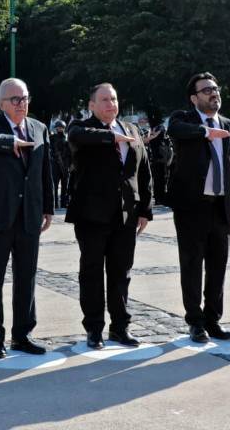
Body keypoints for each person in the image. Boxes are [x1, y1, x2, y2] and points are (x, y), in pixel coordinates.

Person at [0, 78, 54, 359]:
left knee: (26, 277)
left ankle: (23, 335)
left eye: (25, 98)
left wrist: (48, 207)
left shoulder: (40, 128)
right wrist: (11, 142)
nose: (23, 104)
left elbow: (45, 171)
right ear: (1, 104)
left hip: (29, 216)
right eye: (16, 100)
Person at [66, 83, 153, 349]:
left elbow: (143, 171)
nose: (110, 104)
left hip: (126, 215)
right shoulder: (79, 128)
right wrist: (110, 137)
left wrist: (145, 209)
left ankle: (120, 327)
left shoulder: (131, 130)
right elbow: (79, 136)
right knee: (92, 273)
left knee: (120, 273)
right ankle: (94, 329)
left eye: (114, 99)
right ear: (91, 105)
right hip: (92, 215)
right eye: (104, 100)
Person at [167, 72, 230, 343]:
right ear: (194, 98)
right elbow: (174, 130)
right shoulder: (183, 119)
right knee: (191, 265)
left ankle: (213, 320)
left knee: (218, 267)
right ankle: (195, 321)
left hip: (221, 208)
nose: (214, 93)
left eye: (215, 88)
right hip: (191, 207)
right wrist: (205, 131)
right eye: (207, 90)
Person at [145, 119, 173, 206]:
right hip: (158, 161)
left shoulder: (163, 141)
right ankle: (159, 198)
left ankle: (160, 198)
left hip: (162, 161)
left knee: (163, 180)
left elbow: (170, 151)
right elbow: (150, 137)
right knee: (159, 180)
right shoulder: (154, 138)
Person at [50, 120, 71, 209]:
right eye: (58, 127)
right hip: (55, 165)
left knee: (65, 186)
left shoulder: (67, 138)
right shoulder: (52, 138)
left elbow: (70, 152)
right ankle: (55, 204)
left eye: (61, 127)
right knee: (54, 185)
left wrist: (70, 164)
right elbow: (50, 151)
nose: (60, 129)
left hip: (65, 165)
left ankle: (64, 203)